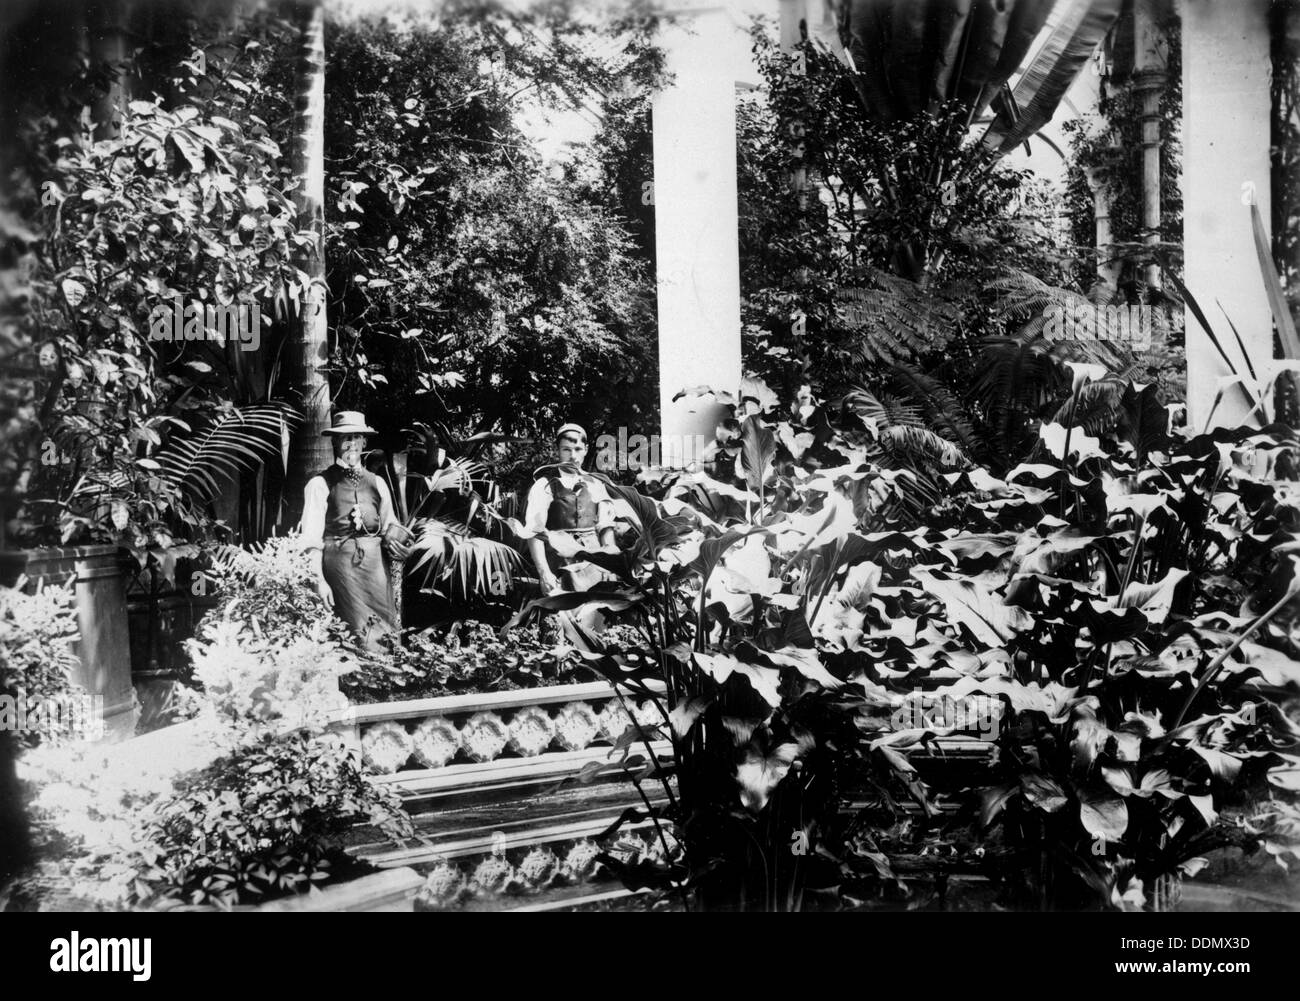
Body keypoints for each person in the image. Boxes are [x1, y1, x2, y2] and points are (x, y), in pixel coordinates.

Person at [299, 411, 412, 651]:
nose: (351, 444)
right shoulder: (320, 484)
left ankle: (383, 681)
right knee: (351, 632)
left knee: (383, 631)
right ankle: (355, 684)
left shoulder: (377, 483)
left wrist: (398, 547)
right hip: (340, 569)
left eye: (356, 437)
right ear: (334, 443)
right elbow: (311, 540)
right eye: (344, 438)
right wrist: (319, 580)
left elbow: (390, 526)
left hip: (376, 570)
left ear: (364, 442)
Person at [522, 423, 617, 596]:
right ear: (557, 449)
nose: (573, 456)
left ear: (586, 449)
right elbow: (534, 533)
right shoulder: (545, 485)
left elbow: (606, 529)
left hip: (593, 563)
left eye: (578, 449)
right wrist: (544, 573)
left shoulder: (596, 484)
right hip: (559, 562)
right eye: (566, 449)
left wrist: (612, 567)